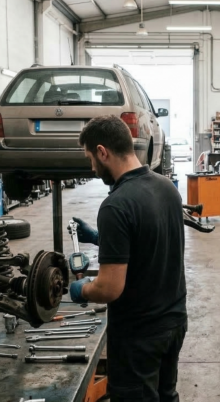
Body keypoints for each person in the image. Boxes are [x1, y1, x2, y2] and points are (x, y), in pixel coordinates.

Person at [69, 115, 187, 402]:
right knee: (165, 395)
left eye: (91, 159)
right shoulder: (166, 188)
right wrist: (100, 238)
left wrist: (81, 289)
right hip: (173, 323)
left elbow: (110, 288)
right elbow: (153, 241)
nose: (92, 168)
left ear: (102, 151)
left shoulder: (116, 205)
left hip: (139, 334)